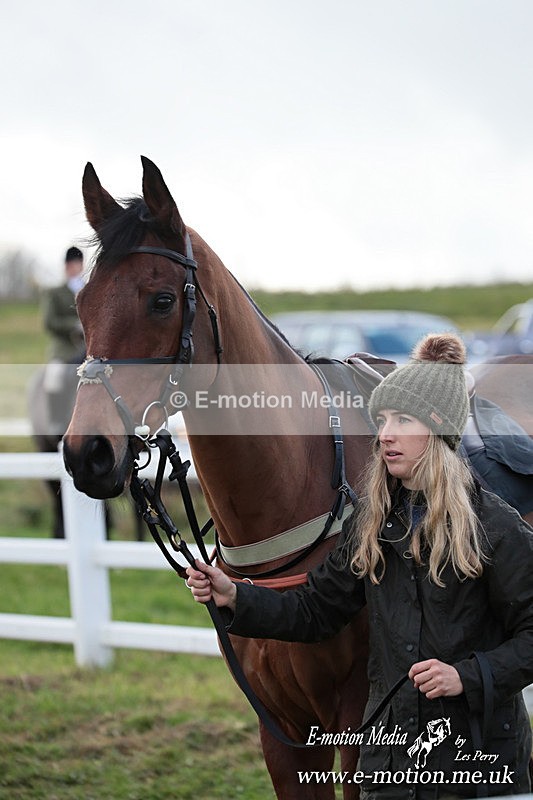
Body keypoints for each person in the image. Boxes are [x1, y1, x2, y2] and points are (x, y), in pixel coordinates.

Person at [186, 332, 533, 799]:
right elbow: (314, 612)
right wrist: (236, 597)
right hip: (389, 770)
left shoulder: (495, 527)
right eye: (382, 418)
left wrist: (464, 676)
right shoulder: (371, 528)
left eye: (403, 420)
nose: (385, 433)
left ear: (437, 429)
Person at [42, 246, 86, 435]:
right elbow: (49, 322)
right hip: (64, 349)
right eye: (71, 264)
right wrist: (74, 325)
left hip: (87, 347)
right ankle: (57, 422)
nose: (74, 268)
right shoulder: (54, 292)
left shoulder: (89, 289)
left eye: (77, 264)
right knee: (55, 377)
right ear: (66, 266)